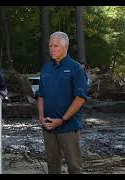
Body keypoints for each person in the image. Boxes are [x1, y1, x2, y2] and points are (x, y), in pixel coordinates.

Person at [37, 31, 88, 174]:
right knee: (52, 166)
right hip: (48, 126)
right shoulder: (46, 68)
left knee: (74, 167)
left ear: (66, 47)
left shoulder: (76, 68)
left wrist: (62, 119)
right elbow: (40, 95)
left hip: (69, 126)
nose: (52, 49)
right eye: (50, 46)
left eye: (56, 46)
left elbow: (80, 98)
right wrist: (41, 117)